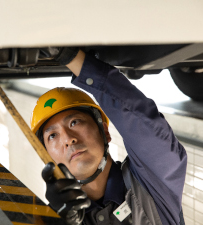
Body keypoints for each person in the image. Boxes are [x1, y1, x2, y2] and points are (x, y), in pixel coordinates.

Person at [30, 48, 187, 225]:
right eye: (52, 136)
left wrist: (69, 56)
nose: (67, 139)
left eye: (75, 122)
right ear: (47, 157)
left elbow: (144, 124)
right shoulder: (56, 218)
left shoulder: (153, 183)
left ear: (104, 131)